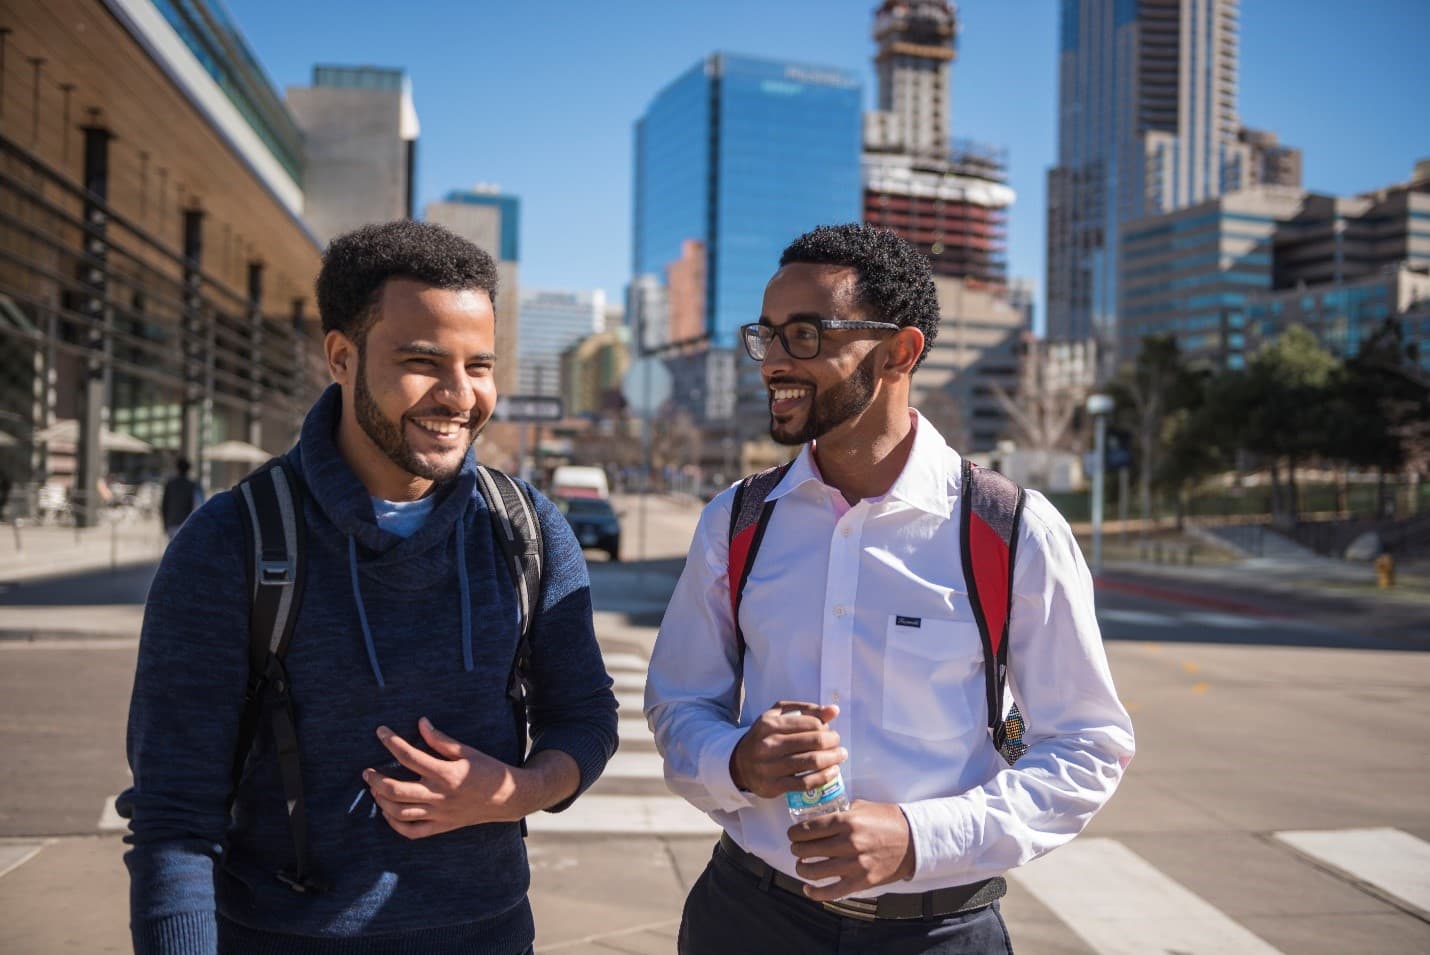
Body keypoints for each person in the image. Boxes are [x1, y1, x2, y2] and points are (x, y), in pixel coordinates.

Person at [119, 220, 619, 954]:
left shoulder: (527, 527)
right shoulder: (231, 540)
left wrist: (519, 789)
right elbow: (173, 819)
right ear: (342, 357)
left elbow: (585, 716)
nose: (459, 395)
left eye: (479, 365)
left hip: (493, 935)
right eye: (422, 360)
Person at [644, 224, 1134, 954]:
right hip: (746, 918)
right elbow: (679, 705)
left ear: (899, 351)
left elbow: (1088, 746)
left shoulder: (1013, 530)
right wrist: (737, 760)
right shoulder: (737, 520)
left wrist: (917, 837)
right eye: (768, 335)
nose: (774, 360)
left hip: (939, 931)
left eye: (805, 336)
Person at [159, 456, 203, 536]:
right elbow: (198, 505)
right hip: (187, 523)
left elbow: (164, 505)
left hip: (172, 523)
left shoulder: (170, 484)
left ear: (177, 468)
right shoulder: (192, 485)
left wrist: (165, 523)